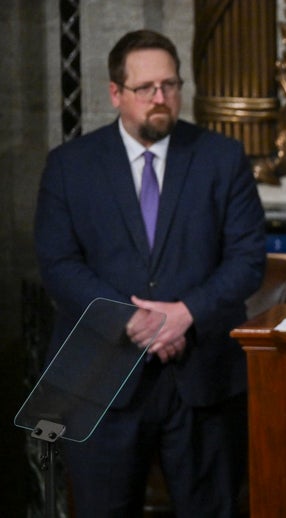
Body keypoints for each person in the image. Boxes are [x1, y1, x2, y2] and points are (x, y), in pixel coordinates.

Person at [35, 29, 266, 516]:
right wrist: (133, 321)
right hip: (102, 376)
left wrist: (185, 314)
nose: (161, 99)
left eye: (170, 85)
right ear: (116, 93)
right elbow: (58, 265)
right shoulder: (69, 166)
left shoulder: (221, 158)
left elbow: (248, 259)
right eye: (146, 89)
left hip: (202, 376)